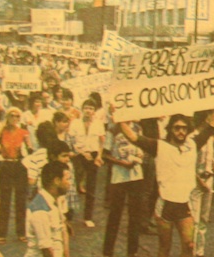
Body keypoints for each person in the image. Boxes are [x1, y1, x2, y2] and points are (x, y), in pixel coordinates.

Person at [120, 114, 210, 257]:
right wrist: (119, 115)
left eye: (184, 128)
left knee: (189, 246)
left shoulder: (193, 144)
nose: (181, 131)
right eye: (177, 128)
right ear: (170, 129)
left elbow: (211, 125)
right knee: (164, 248)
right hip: (165, 206)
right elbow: (133, 137)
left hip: (185, 205)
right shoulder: (159, 146)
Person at [102, 122, 144, 257]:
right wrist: (122, 163)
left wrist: (139, 157)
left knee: (135, 216)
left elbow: (142, 149)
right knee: (115, 215)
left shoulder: (137, 128)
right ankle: (108, 251)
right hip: (119, 177)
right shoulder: (113, 129)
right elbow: (105, 155)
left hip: (136, 176)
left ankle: (132, 251)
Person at [190, 109, 214, 257]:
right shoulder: (192, 137)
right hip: (196, 183)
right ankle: (191, 250)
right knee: (195, 219)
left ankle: (200, 251)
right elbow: (189, 165)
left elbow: (212, 158)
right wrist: (200, 182)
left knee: (204, 218)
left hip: (208, 179)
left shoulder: (209, 137)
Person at [0, 107, 33, 245]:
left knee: (20, 201)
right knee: (4, 201)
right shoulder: (3, 131)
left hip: (19, 166)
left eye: (17, 116)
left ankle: (21, 232)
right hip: (6, 165)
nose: (14, 118)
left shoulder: (23, 132)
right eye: (12, 115)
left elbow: (30, 149)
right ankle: (2, 233)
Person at [68, 99, 105, 228]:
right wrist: (83, 153)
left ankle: (88, 217)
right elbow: (72, 141)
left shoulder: (98, 123)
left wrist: (99, 156)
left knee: (91, 187)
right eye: (86, 108)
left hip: (93, 155)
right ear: (82, 109)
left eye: (91, 108)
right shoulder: (75, 123)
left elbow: (101, 140)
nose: (88, 111)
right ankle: (68, 216)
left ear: (94, 111)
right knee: (72, 184)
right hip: (79, 156)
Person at [24, 161, 71, 257]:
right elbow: (46, 250)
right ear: (57, 181)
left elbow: (62, 232)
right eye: (67, 179)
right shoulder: (40, 210)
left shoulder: (56, 200)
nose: (70, 183)